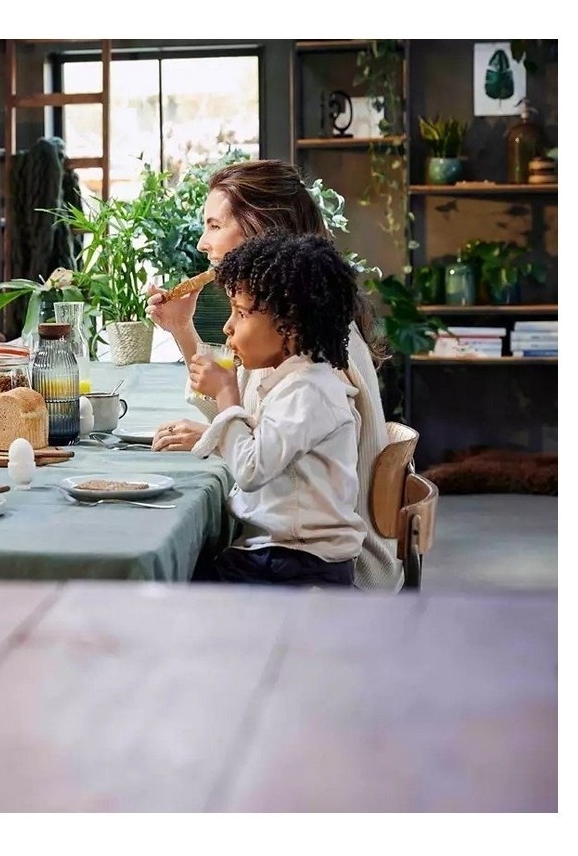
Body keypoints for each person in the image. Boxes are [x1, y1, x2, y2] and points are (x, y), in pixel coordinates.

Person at [147, 159, 401, 591]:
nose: (203, 242)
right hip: (295, 550)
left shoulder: (322, 352)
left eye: (214, 225)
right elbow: (249, 412)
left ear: (261, 228)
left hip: (328, 569)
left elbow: (253, 449)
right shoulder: (295, 331)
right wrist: (181, 329)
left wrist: (226, 431)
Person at [187, 233, 366, 586]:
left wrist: (226, 394)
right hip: (281, 557)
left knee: (176, 584)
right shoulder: (295, 383)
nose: (227, 326)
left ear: (290, 324)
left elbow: (251, 470)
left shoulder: (308, 390)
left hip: (294, 565)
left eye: (241, 313)